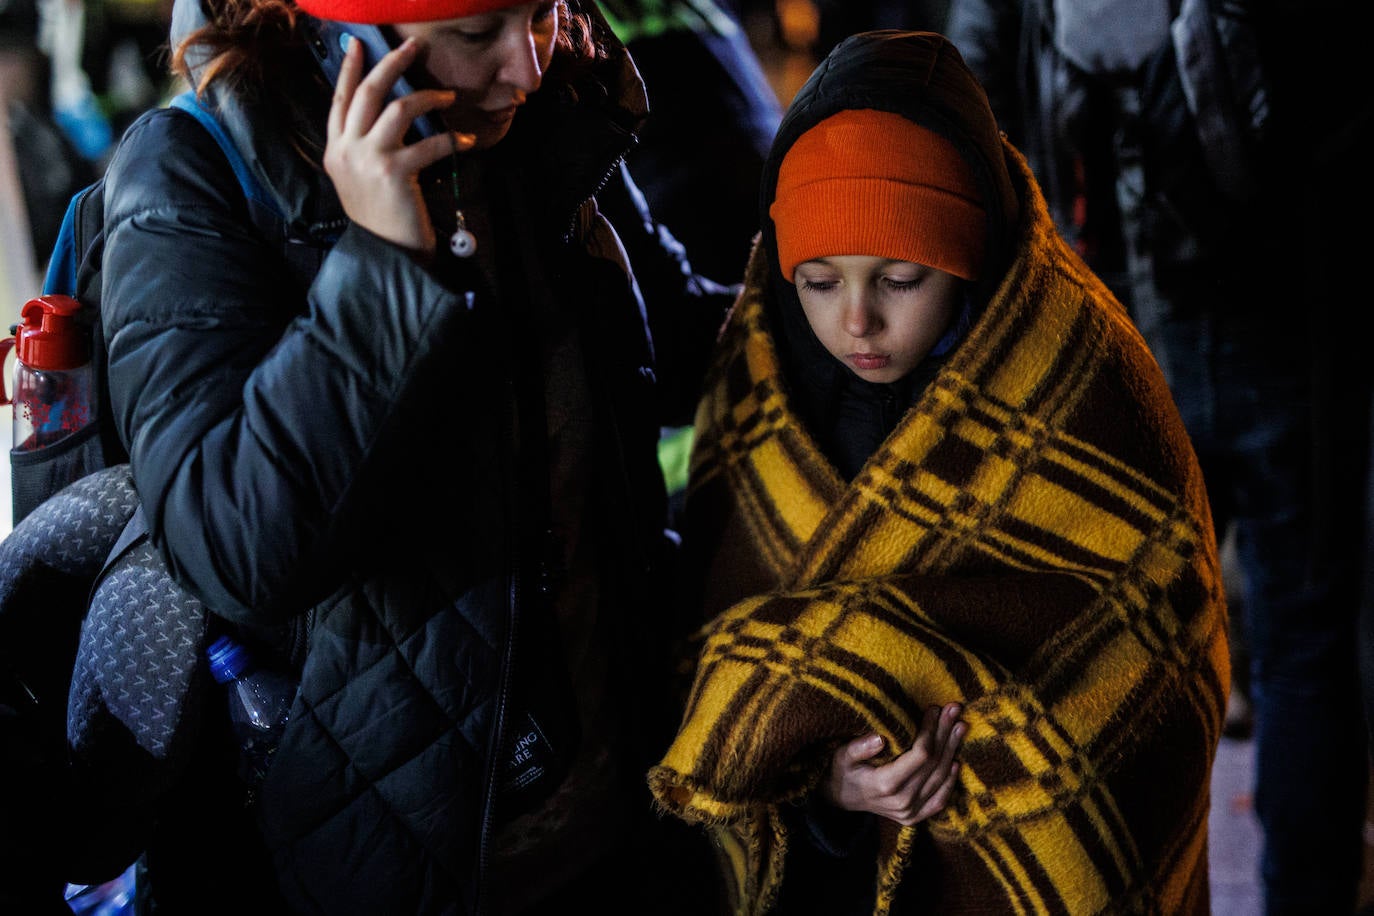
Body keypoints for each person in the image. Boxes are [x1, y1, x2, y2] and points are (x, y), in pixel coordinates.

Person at [80, 0, 736, 911]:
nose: (529, 64)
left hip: (615, 810)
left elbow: (670, 348)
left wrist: (837, 274)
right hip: (387, 856)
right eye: (474, 35)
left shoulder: (537, 118)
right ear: (353, 37)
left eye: (543, 11)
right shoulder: (192, 171)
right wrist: (384, 264)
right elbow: (233, 550)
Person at [648, 29, 1229, 914]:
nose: (857, 324)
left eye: (903, 278)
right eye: (817, 280)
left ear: (972, 252)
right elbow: (719, 661)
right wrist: (825, 785)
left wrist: (985, 753)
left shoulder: (1090, 389)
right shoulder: (759, 379)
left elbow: (1152, 651)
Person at [947, 1, 1374, 910]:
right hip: (1277, 312)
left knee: (1119, 647)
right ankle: (1310, 894)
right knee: (1304, 641)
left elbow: (968, 84)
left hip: (1110, 328)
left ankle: (1133, 889)